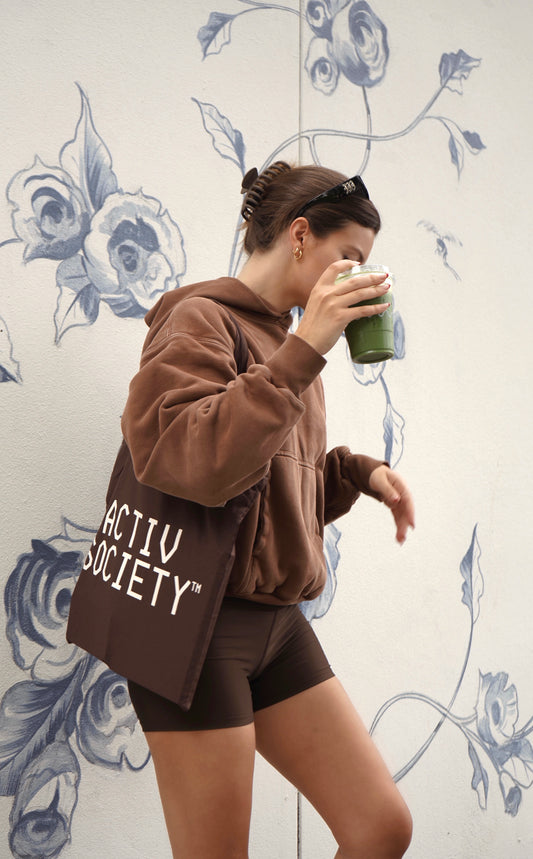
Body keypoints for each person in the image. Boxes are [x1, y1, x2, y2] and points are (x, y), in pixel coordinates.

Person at [123, 162, 415, 858]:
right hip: (195, 621)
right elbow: (187, 459)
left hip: (276, 624)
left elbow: (270, 482)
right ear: (300, 234)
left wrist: (354, 472)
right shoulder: (198, 319)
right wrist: (303, 349)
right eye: (350, 258)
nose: (362, 278)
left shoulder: (289, 342)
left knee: (379, 825)